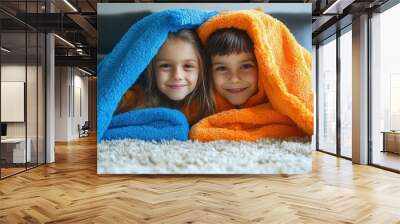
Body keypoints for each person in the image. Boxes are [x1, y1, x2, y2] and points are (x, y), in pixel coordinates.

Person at [115, 29, 215, 125]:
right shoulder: (133, 98)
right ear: (152, 70)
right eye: (166, 66)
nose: (177, 76)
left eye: (188, 66)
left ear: (201, 69)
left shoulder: (210, 104)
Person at [204, 28, 265, 112]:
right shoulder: (193, 113)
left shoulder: (284, 117)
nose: (234, 79)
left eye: (246, 66)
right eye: (222, 68)